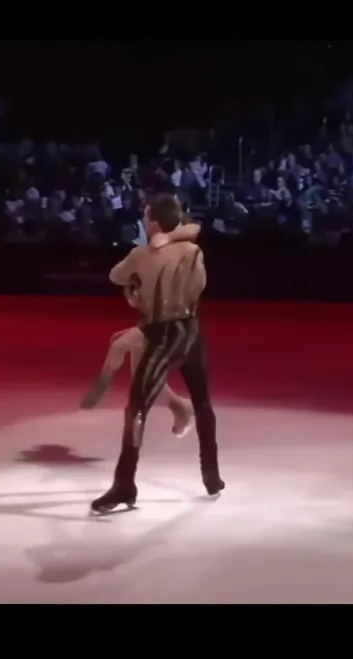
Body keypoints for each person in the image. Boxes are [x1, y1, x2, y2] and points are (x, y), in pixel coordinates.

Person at [89, 193, 223, 513]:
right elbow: (200, 284)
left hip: (162, 334)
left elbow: (115, 275)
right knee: (203, 402)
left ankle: (125, 484)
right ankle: (212, 475)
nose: (144, 219)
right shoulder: (193, 250)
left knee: (137, 409)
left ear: (153, 222)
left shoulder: (141, 254)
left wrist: (140, 279)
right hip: (191, 330)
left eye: (146, 215)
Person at [80, 220, 203, 440]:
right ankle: (180, 407)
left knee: (120, 345)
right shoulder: (155, 254)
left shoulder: (182, 252)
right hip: (154, 321)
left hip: (170, 324)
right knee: (132, 362)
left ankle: (103, 387)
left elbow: (193, 228)